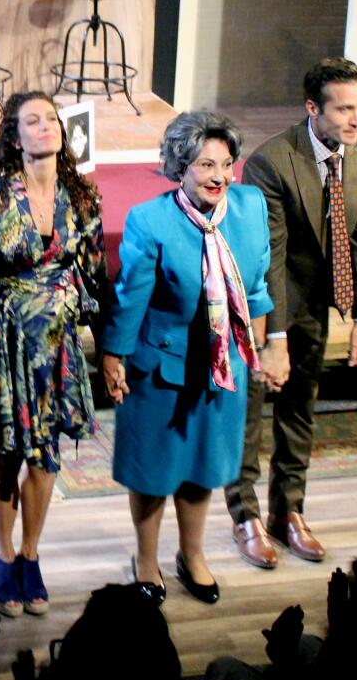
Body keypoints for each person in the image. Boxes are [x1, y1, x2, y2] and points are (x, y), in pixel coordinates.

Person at [102, 111, 273, 604]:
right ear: (180, 168)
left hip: (222, 369)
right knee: (152, 471)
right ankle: (147, 558)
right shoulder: (150, 219)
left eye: (226, 164)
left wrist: (269, 342)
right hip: (160, 365)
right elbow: (131, 296)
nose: (219, 176)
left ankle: (192, 556)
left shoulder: (250, 206)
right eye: (205, 165)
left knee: (203, 466)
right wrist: (114, 355)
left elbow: (257, 282)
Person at [224, 56, 357, 569]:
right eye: (343, 109)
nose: (355, 119)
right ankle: (244, 513)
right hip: (263, 305)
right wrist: (276, 340)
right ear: (313, 108)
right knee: (249, 415)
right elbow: (271, 256)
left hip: (317, 300)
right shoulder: (271, 161)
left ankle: (288, 510)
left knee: (300, 408)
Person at [0, 91, 105, 617]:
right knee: (7, 458)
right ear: (14, 135)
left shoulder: (83, 195)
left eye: (51, 119)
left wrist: (104, 348)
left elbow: (95, 273)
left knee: (45, 460)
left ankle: (30, 554)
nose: (45, 127)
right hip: (8, 343)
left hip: (59, 344)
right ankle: (3, 557)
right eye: (32, 120)